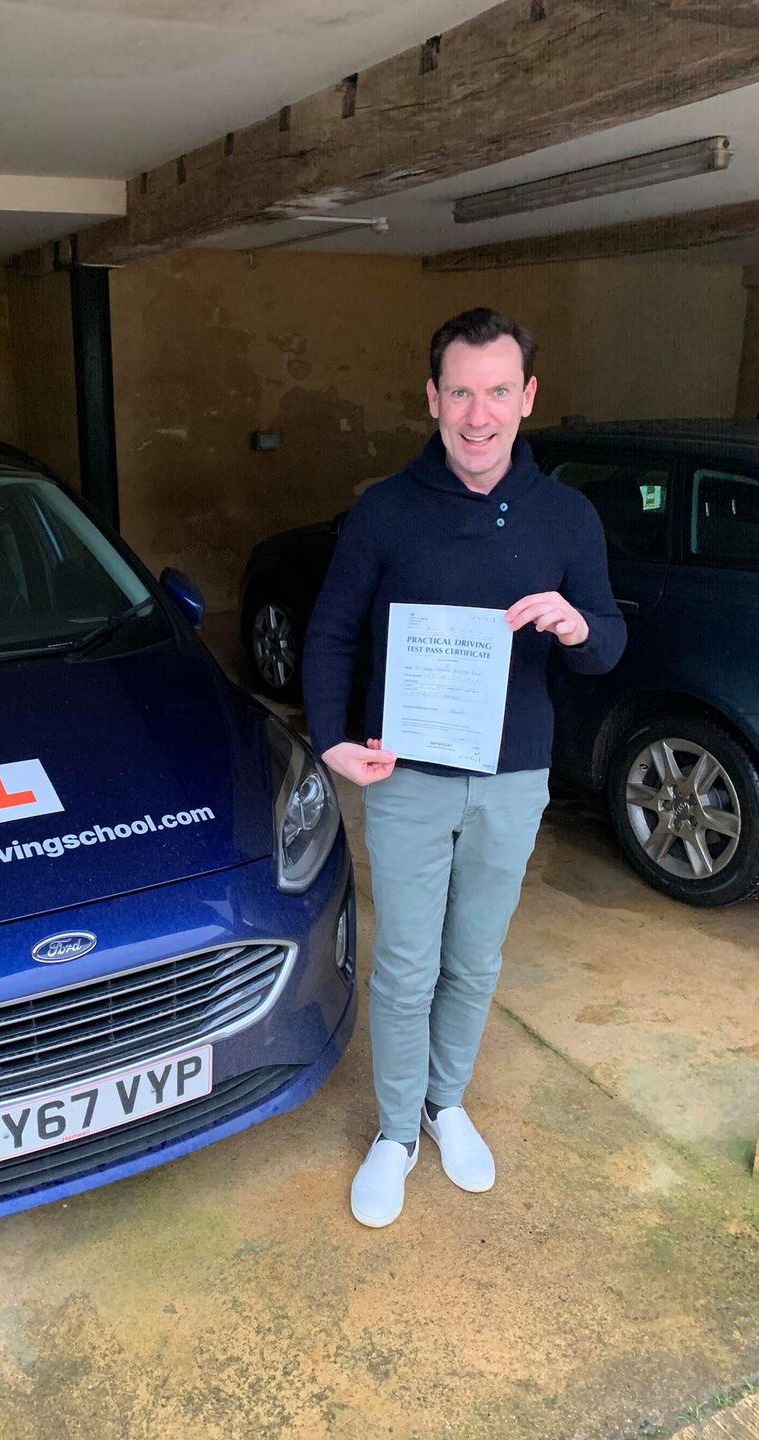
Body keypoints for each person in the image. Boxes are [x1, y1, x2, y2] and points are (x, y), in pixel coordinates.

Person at [303, 308, 626, 1228]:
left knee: (474, 960)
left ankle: (445, 1105)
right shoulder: (385, 510)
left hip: (514, 778)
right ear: (432, 398)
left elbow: (607, 642)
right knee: (407, 965)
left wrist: (578, 626)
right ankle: (395, 1132)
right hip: (406, 777)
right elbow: (330, 633)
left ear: (527, 397)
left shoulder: (567, 516)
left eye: (497, 392)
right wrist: (329, 738)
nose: (477, 415)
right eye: (459, 393)